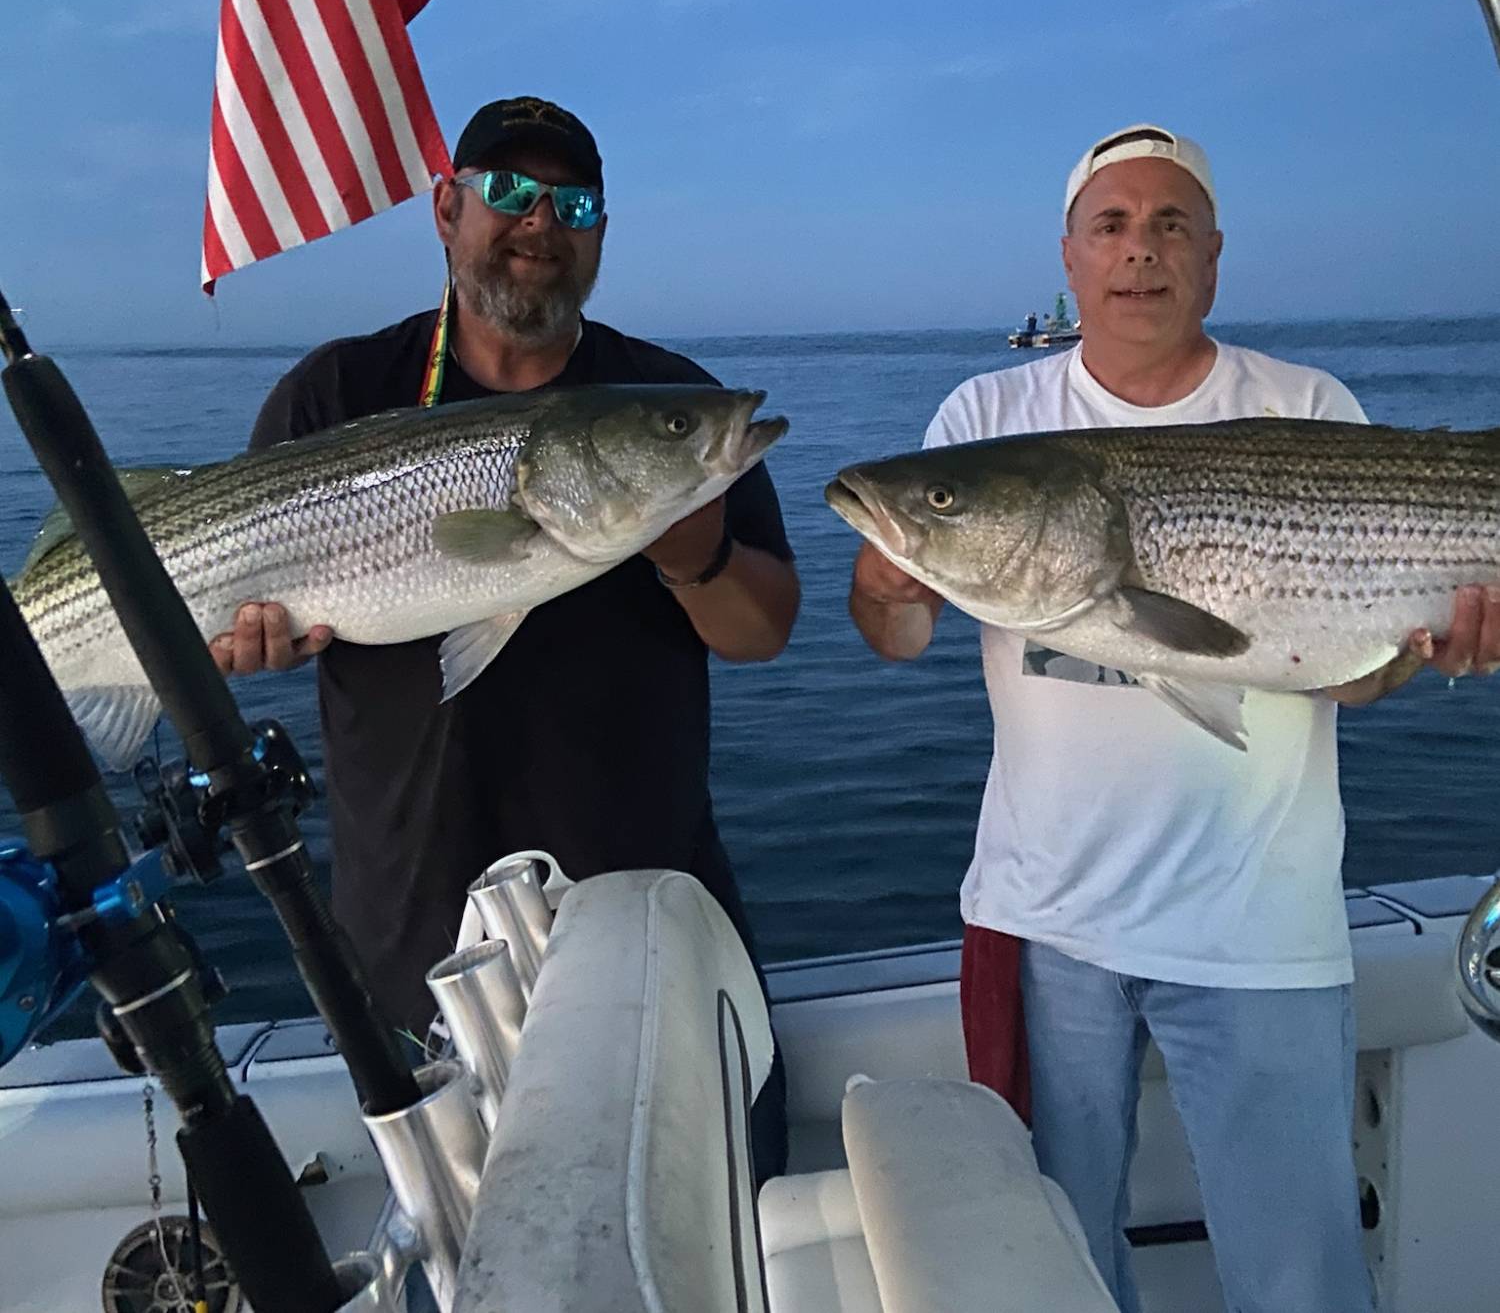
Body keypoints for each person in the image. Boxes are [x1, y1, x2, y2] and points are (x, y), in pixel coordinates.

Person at [846, 123, 1500, 1312]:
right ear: (1070, 254)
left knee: (1299, 1279)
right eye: (1111, 226)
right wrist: (889, 574)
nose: (1138, 252)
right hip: (1045, 924)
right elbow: (896, 640)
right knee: (1048, 1271)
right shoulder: (989, 415)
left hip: (1260, 926)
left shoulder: (1303, 402)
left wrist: (1429, 656)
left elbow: (1347, 675)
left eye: (1168, 226)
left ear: (1212, 256)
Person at [211, 95, 800, 1177]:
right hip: (411, 941)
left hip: (647, 911)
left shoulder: (672, 399)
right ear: (447, 208)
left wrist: (694, 554)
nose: (540, 222)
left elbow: (763, 630)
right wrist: (236, 647)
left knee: (721, 1227)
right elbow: (225, 611)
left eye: (572, 202)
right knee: (460, 1262)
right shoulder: (337, 391)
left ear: (602, 236)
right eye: (509, 193)